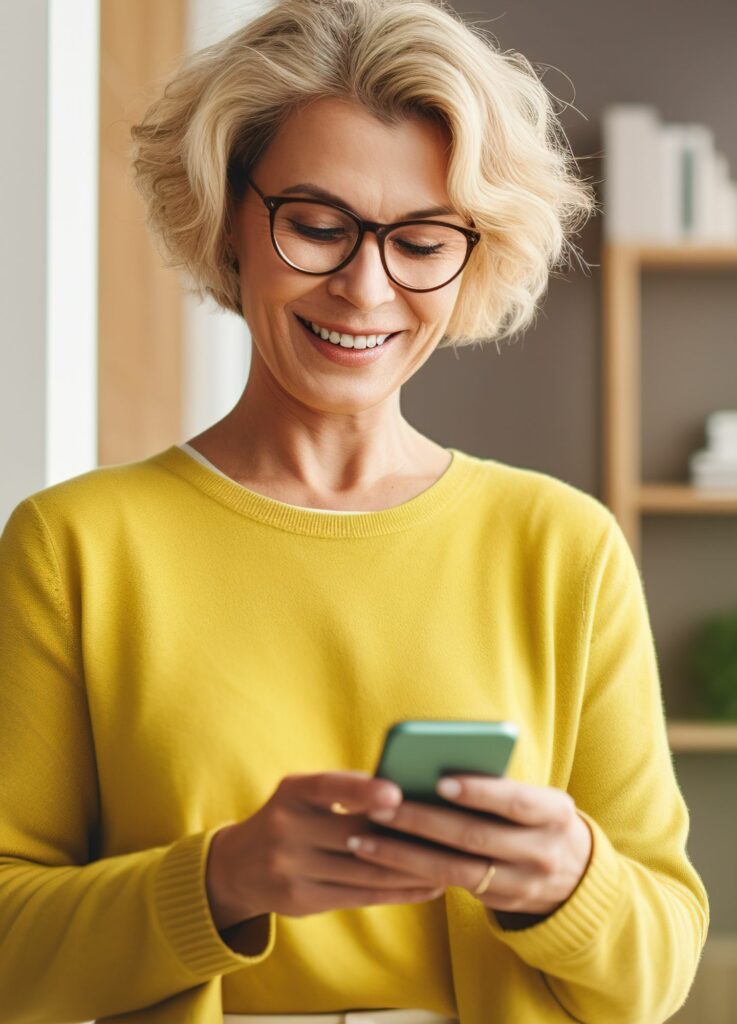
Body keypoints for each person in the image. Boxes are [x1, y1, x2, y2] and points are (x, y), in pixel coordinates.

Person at [0, 0, 708, 1022]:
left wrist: (569, 876)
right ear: (229, 217)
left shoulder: (560, 546)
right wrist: (221, 881)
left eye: (420, 240)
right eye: (319, 227)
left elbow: (659, 969)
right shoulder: (76, 548)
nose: (364, 288)